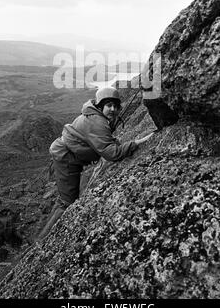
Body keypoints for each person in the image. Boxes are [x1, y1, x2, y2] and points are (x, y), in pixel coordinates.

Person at [37, 87, 153, 240]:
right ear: (100, 106)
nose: (113, 109)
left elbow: (100, 140)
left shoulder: (93, 115)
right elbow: (112, 154)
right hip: (66, 158)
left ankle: (44, 236)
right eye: (108, 105)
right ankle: (42, 242)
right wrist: (137, 142)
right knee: (67, 202)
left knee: (63, 199)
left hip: (66, 154)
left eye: (115, 106)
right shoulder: (97, 121)